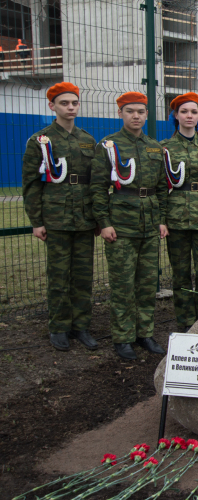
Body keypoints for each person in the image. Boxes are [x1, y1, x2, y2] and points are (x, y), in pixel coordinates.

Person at [91, 92, 169, 360]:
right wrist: (104, 223)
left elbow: (161, 188)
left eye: (140, 111)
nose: (136, 116)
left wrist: (161, 220)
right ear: (120, 114)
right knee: (123, 283)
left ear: (147, 114)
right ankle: (123, 337)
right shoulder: (108, 145)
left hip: (149, 224)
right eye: (130, 111)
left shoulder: (154, 147)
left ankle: (144, 333)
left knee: (147, 283)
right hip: (121, 224)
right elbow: (98, 188)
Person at [22, 82, 98, 351]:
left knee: (83, 275)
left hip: (84, 217)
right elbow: (31, 184)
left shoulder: (88, 140)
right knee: (58, 275)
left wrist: (98, 218)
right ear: (52, 106)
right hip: (56, 217)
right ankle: (59, 327)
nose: (70, 108)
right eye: (64, 103)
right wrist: (37, 221)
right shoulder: (40, 141)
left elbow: (96, 182)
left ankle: (81, 326)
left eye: (74, 103)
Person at [160, 93, 198, 330]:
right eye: (184, 111)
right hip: (176, 218)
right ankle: (186, 321)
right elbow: (161, 186)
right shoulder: (164, 148)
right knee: (181, 274)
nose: (189, 116)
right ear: (175, 116)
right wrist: (162, 219)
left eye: (194, 112)